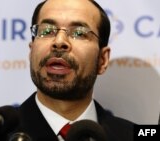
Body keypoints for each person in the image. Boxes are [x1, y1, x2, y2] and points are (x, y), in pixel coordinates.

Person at [11, 0, 135, 141]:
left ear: (102, 60)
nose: (59, 42)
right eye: (47, 31)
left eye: (79, 33)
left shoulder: (131, 134)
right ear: (31, 51)